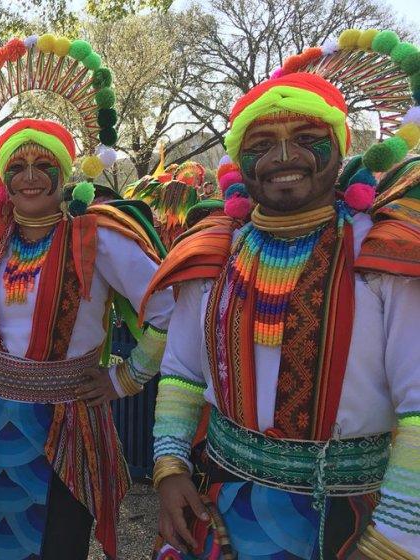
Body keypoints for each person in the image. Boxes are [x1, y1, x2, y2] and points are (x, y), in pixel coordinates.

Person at [145, 58, 420, 559]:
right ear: (240, 161)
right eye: (261, 145)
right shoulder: (214, 251)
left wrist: (392, 541)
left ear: (340, 148)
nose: (283, 156)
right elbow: (182, 373)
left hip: (349, 519)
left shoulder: (384, 256)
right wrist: (170, 467)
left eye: (306, 137)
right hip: (221, 502)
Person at [0, 35, 174, 560]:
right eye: (18, 166)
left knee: (56, 543)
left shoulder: (99, 238)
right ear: (2, 176)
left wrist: (125, 377)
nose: (31, 176)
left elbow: (170, 306)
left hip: (68, 423)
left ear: (68, 173)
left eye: (45, 165)